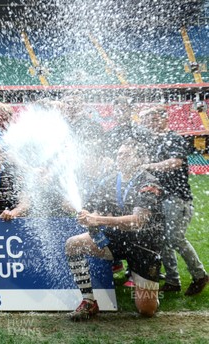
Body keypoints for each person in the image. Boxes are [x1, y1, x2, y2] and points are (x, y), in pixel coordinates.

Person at [65, 141, 163, 321]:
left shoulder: (149, 182)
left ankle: (147, 287)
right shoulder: (109, 181)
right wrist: (88, 217)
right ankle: (89, 301)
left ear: (139, 159)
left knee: (146, 310)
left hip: (144, 244)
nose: (120, 157)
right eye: (119, 153)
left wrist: (99, 220)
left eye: (127, 154)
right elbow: (97, 211)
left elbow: (138, 222)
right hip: (117, 238)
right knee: (73, 244)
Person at [139, 107, 208, 295]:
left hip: (177, 197)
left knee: (175, 238)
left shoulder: (174, 138)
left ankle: (200, 275)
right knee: (161, 240)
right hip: (161, 198)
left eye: (154, 119)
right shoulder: (153, 142)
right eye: (147, 121)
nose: (150, 124)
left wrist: (148, 165)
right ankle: (172, 280)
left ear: (164, 120)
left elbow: (175, 162)